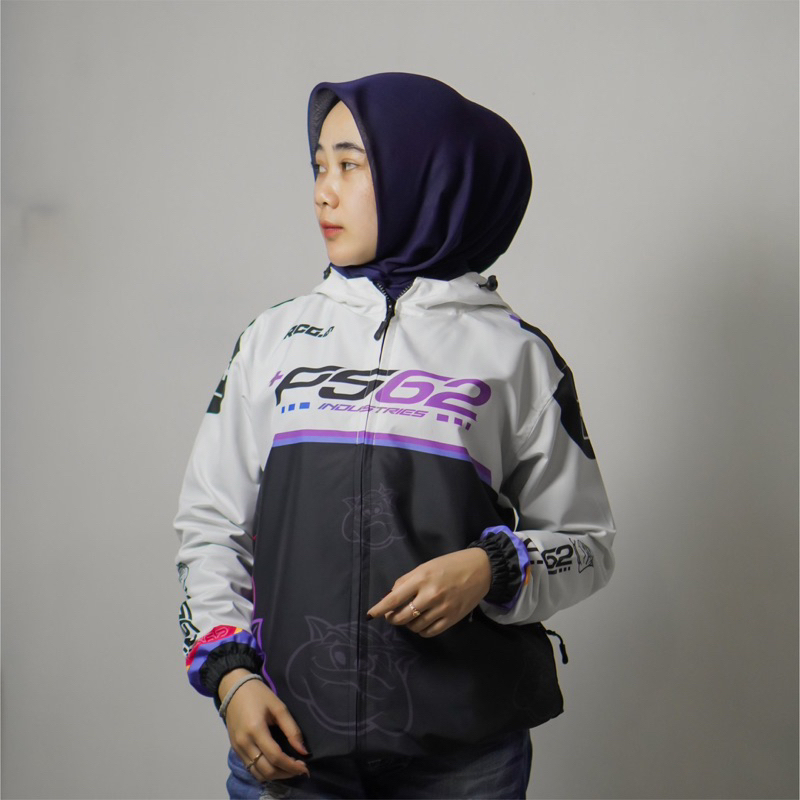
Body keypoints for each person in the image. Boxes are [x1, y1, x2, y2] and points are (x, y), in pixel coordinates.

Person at [175, 72, 615, 800]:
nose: (323, 192)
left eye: (350, 165)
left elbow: (587, 543)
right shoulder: (272, 340)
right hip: (290, 741)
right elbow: (210, 524)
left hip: (465, 757)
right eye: (318, 166)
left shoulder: (514, 355)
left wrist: (492, 568)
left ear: (426, 178)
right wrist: (232, 678)